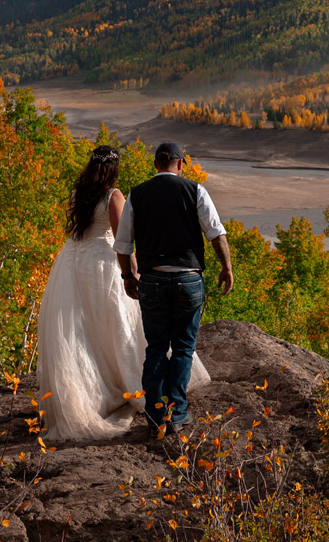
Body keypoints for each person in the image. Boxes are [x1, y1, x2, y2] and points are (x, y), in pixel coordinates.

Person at [35, 145, 211, 441]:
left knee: (84, 331)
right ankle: (127, 386)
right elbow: (121, 240)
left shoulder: (79, 195)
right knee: (118, 325)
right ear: (113, 169)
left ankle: (95, 389)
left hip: (73, 262)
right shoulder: (113, 196)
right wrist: (135, 274)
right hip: (103, 264)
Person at [115, 141, 234, 437]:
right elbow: (216, 235)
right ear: (181, 164)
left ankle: (156, 416)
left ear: (155, 164)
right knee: (183, 346)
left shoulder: (137, 195)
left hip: (152, 280)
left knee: (155, 348)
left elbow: (122, 243)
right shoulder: (196, 191)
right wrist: (226, 268)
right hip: (188, 280)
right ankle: (177, 414)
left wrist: (128, 276)